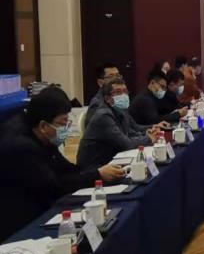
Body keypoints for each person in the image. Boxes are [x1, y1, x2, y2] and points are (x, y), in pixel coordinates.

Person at [0, 88, 126, 240]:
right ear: (43, 126)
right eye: (62, 123)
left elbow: (65, 168)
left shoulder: (43, 136)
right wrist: (97, 174)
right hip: (19, 223)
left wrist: (97, 172)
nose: (66, 129)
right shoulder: (21, 147)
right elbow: (55, 185)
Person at [77, 78, 163, 170]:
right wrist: (149, 138)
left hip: (112, 160)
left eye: (125, 91)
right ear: (107, 99)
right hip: (95, 168)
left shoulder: (121, 111)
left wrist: (146, 133)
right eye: (118, 92)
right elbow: (126, 144)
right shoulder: (103, 116)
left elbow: (130, 132)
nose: (123, 95)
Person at [83, 62, 121, 130]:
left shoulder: (120, 100)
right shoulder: (97, 105)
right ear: (100, 83)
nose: (117, 80)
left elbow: (132, 127)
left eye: (118, 76)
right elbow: (110, 132)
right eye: (111, 77)